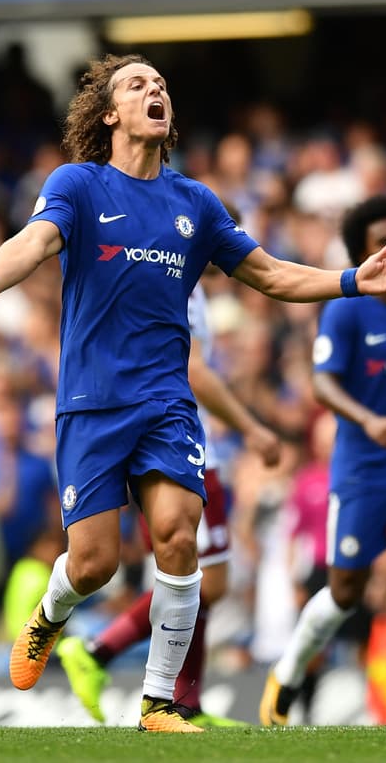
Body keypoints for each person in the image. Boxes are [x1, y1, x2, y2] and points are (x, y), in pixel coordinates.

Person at [0, 53, 386, 733]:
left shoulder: (196, 204)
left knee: (179, 536)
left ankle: (158, 702)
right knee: (93, 563)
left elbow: (270, 274)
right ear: (110, 113)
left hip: (165, 401)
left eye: (161, 84)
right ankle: (51, 614)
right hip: (92, 402)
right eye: (137, 84)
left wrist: (353, 280)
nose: (155, 90)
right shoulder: (79, 185)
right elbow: (33, 243)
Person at [260, 195, 386, 728]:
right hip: (362, 469)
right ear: (364, 251)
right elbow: (322, 382)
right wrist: (369, 421)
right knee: (345, 592)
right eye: (384, 241)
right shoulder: (345, 308)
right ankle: (288, 671)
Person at [56, 279, 281, 727]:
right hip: (180, 449)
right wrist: (251, 428)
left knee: (192, 577)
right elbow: (193, 370)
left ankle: (186, 703)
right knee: (204, 582)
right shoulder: (181, 284)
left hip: (172, 444)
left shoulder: (186, 286)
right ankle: (98, 651)